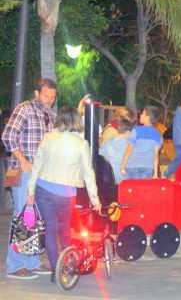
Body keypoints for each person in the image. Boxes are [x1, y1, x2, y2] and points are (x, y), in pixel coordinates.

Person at [26, 105, 102, 283]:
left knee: (50, 229)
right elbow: (88, 174)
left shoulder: (48, 137)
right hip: (66, 193)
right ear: (77, 120)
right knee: (64, 229)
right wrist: (95, 200)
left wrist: (30, 192)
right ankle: (67, 264)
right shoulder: (81, 144)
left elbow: (36, 167)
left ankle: (55, 269)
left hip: (43, 189)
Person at [2, 78, 57, 280]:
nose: (49, 100)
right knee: (23, 217)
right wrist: (23, 160)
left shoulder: (49, 114)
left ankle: (32, 262)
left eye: (52, 97)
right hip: (25, 173)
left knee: (36, 219)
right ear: (36, 93)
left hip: (43, 175)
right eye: (46, 96)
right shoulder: (25, 109)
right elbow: (8, 136)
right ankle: (15, 266)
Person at [121, 106, 163, 179]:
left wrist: (123, 166)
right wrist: (155, 174)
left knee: (133, 189)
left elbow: (129, 150)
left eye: (143, 114)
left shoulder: (136, 131)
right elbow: (156, 156)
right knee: (143, 190)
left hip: (132, 166)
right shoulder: (158, 135)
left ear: (148, 117)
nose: (140, 115)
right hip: (148, 168)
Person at [99, 119, 134, 184]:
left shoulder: (108, 142)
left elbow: (100, 155)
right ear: (128, 133)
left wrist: (107, 158)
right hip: (124, 179)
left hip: (109, 179)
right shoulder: (129, 145)